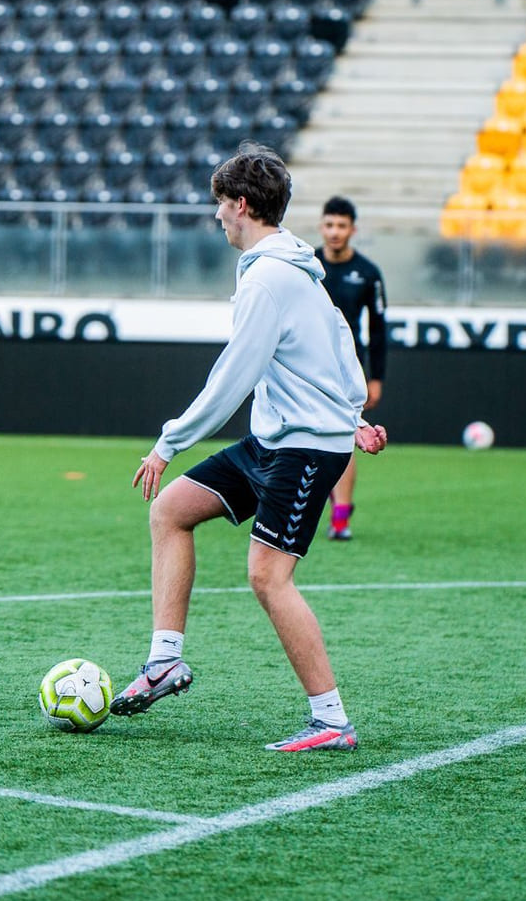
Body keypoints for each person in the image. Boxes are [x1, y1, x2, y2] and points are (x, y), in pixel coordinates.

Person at [115, 143, 388, 751]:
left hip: (305, 450)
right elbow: (340, 344)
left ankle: (332, 721)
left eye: (219, 204)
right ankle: (164, 662)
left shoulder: (269, 277)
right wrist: (354, 417)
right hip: (274, 439)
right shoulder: (295, 270)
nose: (216, 216)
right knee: (171, 511)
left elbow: (232, 378)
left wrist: (169, 443)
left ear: (241, 205)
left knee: (268, 578)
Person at [314, 196, 387, 541]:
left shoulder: (369, 273)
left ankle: (340, 516)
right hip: (307, 365)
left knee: (344, 434)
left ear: (353, 230)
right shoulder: (307, 264)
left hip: (348, 370)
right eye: (329, 225)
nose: (335, 232)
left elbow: (379, 329)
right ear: (321, 227)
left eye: (342, 225)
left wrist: (376, 378)